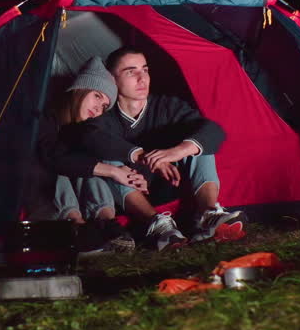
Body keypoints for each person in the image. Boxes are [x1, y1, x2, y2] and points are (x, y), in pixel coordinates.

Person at [78, 46, 244, 249]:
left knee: (199, 143)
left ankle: (208, 214)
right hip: (131, 194)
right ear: (112, 79)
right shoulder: (105, 113)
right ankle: (156, 226)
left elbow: (214, 130)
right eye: (131, 72)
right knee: (104, 158)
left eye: (145, 70)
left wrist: (178, 151)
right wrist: (143, 156)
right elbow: (90, 137)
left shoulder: (167, 105)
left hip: (170, 184)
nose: (142, 78)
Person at [35, 57, 160, 251]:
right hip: (36, 178)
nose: (98, 108)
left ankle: (106, 221)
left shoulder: (82, 130)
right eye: (97, 96)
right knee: (62, 166)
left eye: (104, 106)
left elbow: (93, 158)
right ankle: (75, 225)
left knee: (90, 163)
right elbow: (51, 157)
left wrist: (127, 173)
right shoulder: (43, 116)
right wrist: (112, 171)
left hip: (75, 179)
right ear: (79, 90)